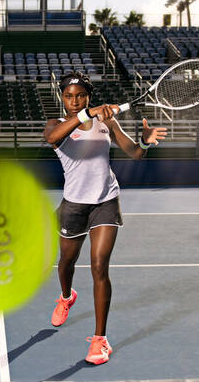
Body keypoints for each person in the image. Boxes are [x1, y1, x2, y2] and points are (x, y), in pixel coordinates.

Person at [43, 71, 167, 365]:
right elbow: (52, 139)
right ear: (62, 98)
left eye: (81, 96)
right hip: (74, 205)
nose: (74, 101)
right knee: (66, 264)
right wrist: (87, 113)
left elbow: (134, 153)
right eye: (69, 96)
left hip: (105, 201)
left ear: (89, 95)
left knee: (99, 266)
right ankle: (66, 296)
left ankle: (100, 340)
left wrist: (146, 142)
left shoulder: (106, 122)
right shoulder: (56, 125)